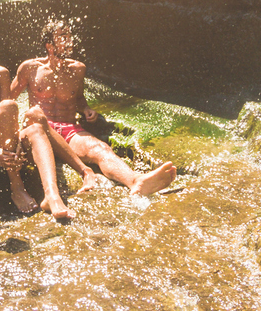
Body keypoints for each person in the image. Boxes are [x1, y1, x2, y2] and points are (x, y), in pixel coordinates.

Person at [0, 20, 100, 220]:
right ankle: (17, 187)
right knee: (7, 106)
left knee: (36, 123)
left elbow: (7, 119)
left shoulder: (0, 75)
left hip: (6, 146)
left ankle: (54, 195)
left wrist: (15, 144)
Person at [13, 21, 177, 198]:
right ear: (49, 44)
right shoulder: (30, 68)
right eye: (63, 36)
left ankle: (135, 181)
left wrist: (85, 109)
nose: (69, 41)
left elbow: (79, 99)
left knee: (101, 148)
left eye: (69, 36)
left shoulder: (77, 69)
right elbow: (8, 99)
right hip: (40, 132)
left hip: (69, 131)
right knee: (38, 119)